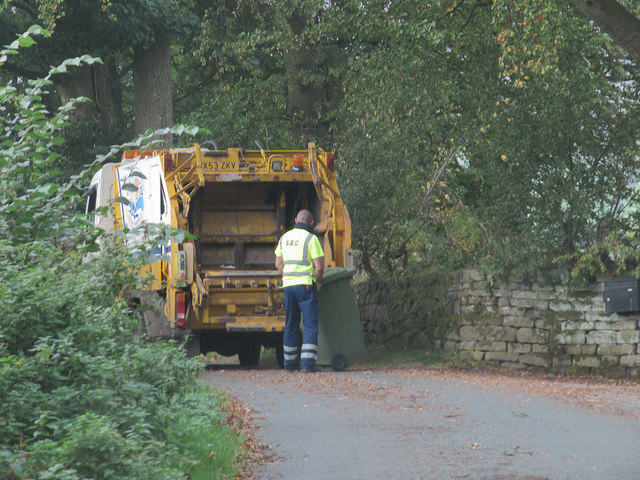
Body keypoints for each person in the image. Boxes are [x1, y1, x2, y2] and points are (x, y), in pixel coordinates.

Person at [275, 209, 325, 372]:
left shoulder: (284, 238)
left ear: (296, 220)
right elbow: (319, 267)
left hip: (288, 287)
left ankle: (289, 364)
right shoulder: (312, 239)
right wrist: (318, 281)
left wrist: (287, 276)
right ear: (311, 224)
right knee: (310, 324)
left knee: (291, 324)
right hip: (306, 286)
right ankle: (307, 364)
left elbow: (278, 264)